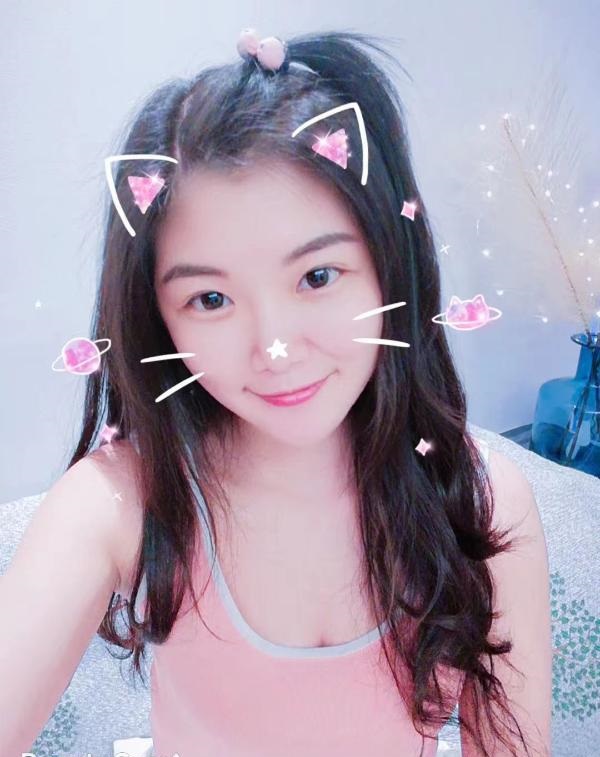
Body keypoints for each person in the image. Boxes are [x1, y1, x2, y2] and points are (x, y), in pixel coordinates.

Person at [0, 28, 552, 757]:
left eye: (317, 277)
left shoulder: (483, 500)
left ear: (390, 263)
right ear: (156, 315)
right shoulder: (121, 499)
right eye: (210, 300)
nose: (275, 348)